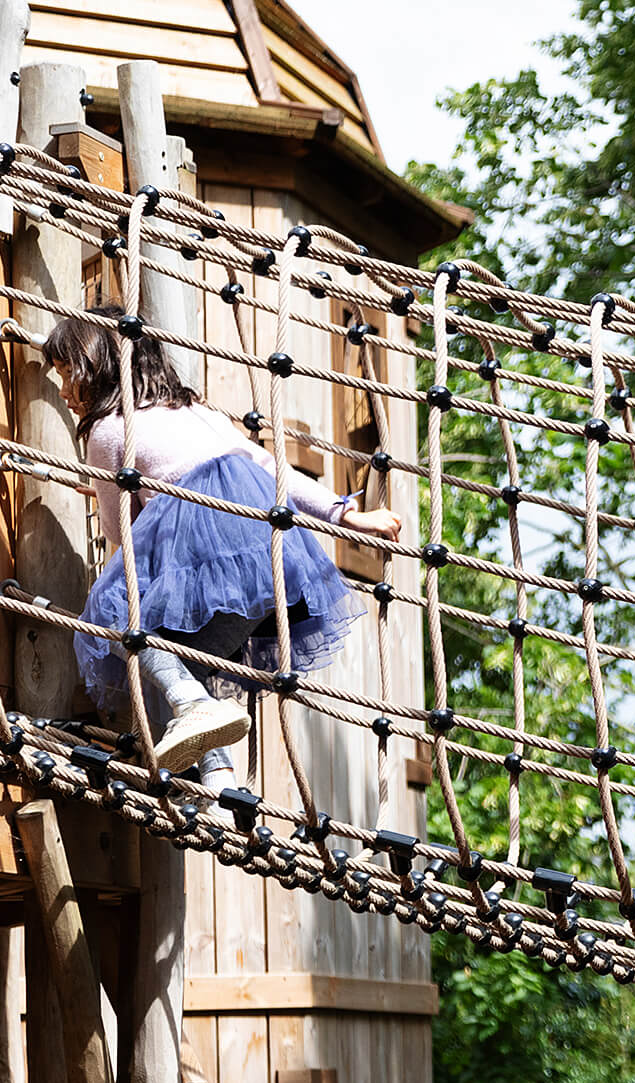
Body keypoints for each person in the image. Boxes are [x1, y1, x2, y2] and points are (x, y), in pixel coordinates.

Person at [45, 306, 403, 789]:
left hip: (204, 541)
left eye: (69, 374)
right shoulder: (197, 411)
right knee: (187, 652)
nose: (65, 391)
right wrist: (346, 514)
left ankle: (190, 707)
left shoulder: (110, 428)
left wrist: (109, 488)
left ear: (98, 365)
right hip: (270, 561)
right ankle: (220, 775)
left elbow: (118, 533)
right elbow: (269, 467)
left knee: (115, 617)